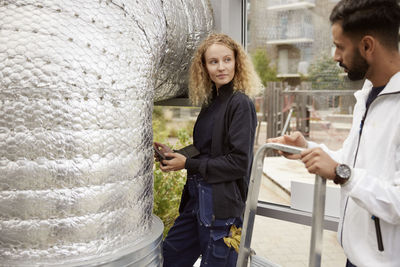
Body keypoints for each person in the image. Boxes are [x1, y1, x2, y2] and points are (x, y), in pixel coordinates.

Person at [268, 0, 400, 266]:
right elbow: (353, 161)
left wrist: (342, 174)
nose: (335, 56)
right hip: (354, 257)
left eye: (340, 47)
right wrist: (305, 148)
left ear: (367, 46)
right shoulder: (368, 94)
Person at [154, 33, 262, 267]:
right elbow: (206, 148)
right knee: (169, 259)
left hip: (221, 208)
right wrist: (176, 153)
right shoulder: (212, 102)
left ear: (237, 62)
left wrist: (187, 164)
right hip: (196, 201)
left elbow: (238, 163)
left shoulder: (240, 103)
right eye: (213, 62)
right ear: (204, 67)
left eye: (227, 60)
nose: (221, 67)